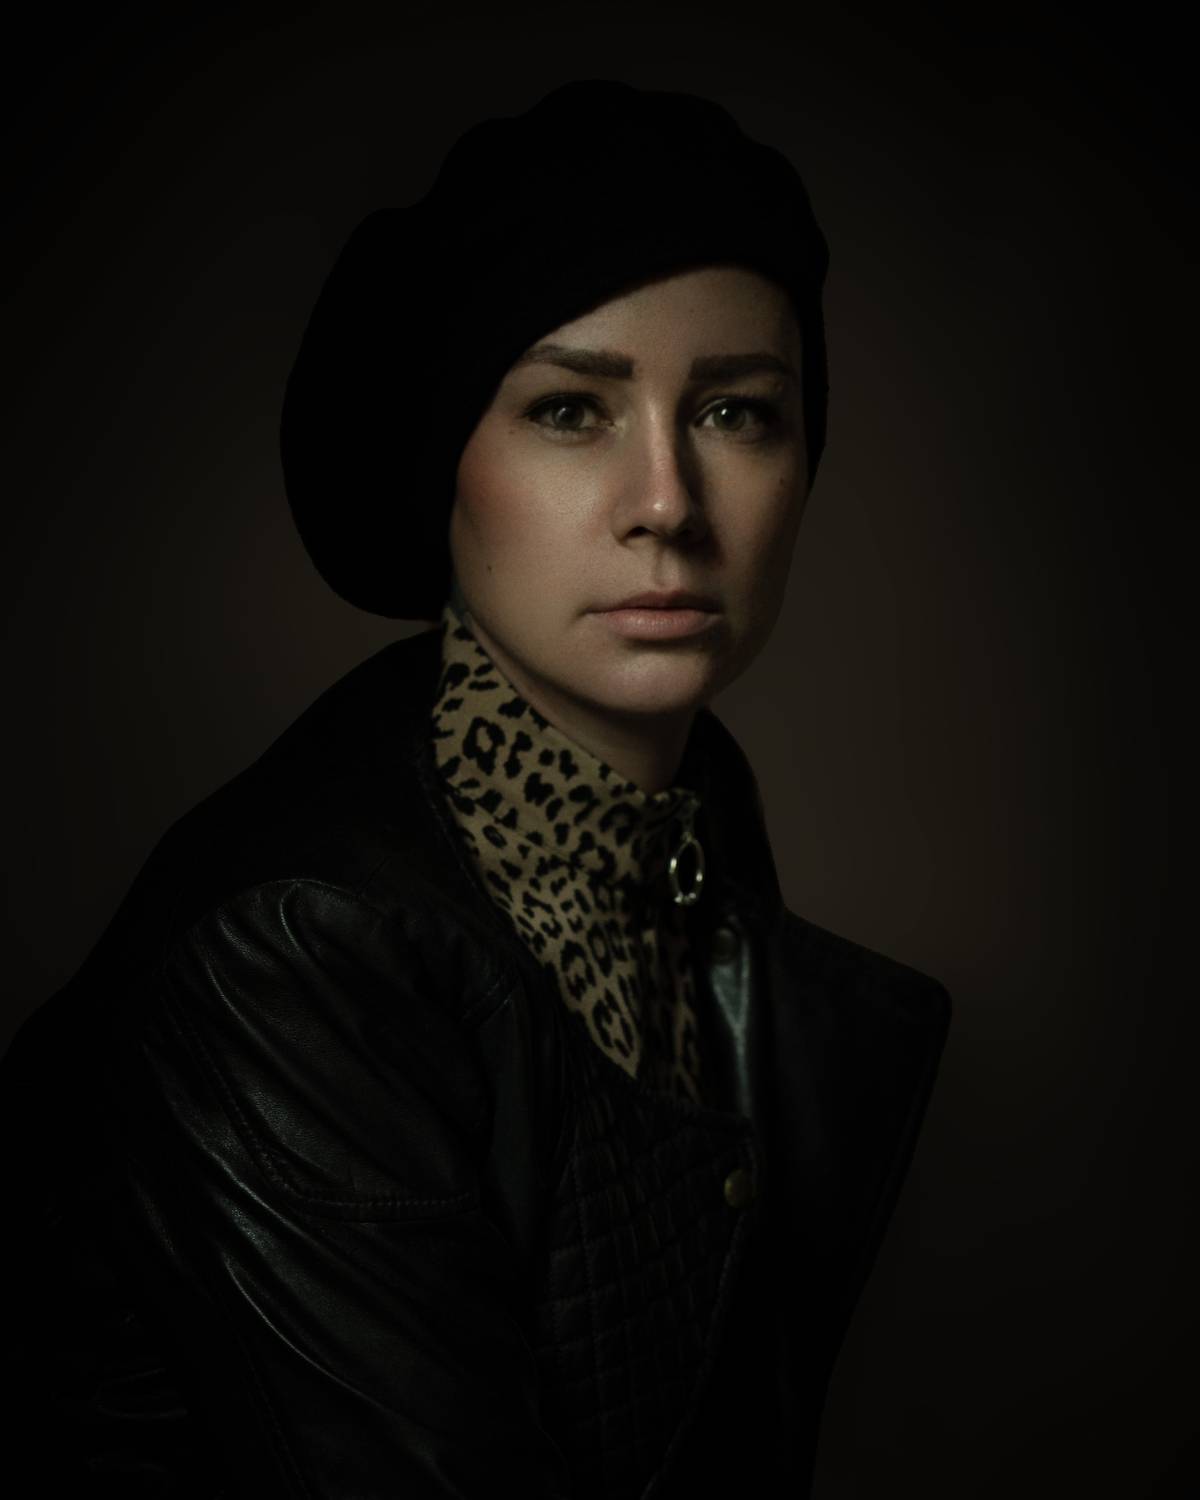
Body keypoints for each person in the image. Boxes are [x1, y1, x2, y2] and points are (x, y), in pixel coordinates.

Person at [1, 80, 951, 1497]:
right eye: (570, 409)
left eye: (736, 412)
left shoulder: (689, 834)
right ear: (446, 461)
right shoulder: (301, 949)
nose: (669, 502)